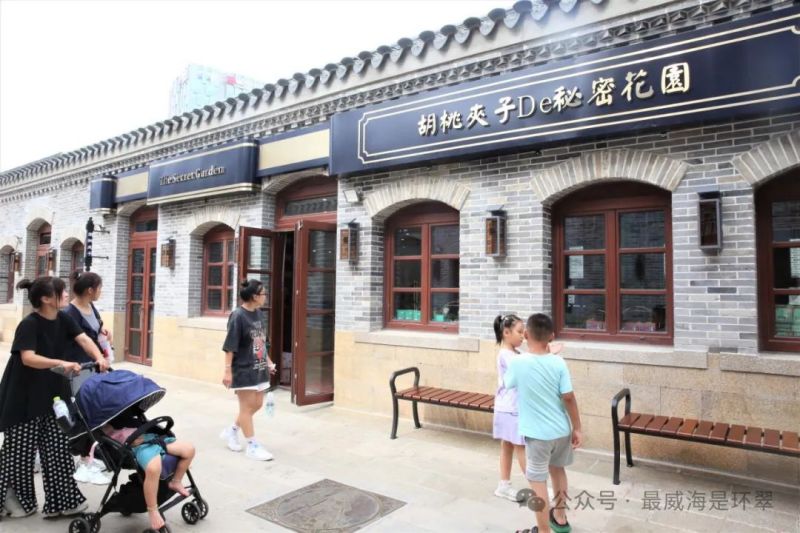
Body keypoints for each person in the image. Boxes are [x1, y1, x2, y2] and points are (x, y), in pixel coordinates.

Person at [0, 277, 109, 519]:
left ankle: (63, 502)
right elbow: (28, 358)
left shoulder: (64, 318)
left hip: (54, 393)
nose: (67, 294)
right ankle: (15, 502)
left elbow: (83, 338)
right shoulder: (29, 324)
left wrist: (99, 356)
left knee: (58, 447)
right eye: (61, 292)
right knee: (20, 451)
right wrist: (61, 362)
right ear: (46, 299)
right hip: (23, 395)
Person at [504, 314, 582, 533]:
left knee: (538, 483)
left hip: (538, 436)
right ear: (552, 336)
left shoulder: (518, 362)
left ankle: (544, 530)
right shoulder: (559, 362)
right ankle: (560, 518)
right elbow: (568, 397)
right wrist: (577, 427)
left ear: (526, 334)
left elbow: (507, 383)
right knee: (558, 471)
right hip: (561, 431)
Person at [493, 314, 564, 503]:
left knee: (508, 446)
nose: (523, 335)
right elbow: (528, 366)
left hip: (508, 407)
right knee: (520, 447)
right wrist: (548, 351)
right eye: (519, 331)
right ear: (506, 333)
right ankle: (537, 487)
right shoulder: (506, 355)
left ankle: (503, 485)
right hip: (511, 409)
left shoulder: (516, 354)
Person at [64, 271, 113, 485]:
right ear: (90, 290)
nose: (101, 291)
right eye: (99, 288)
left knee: (93, 410)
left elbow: (95, 331)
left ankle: (89, 454)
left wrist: (105, 333)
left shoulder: (91, 307)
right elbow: (81, 340)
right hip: (79, 368)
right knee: (82, 412)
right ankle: (84, 459)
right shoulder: (70, 313)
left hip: (94, 367)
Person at [219, 279, 277, 461]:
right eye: (263, 293)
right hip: (243, 369)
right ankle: (252, 446)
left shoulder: (259, 314)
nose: (265, 296)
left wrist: (268, 362)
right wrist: (227, 371)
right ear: (254, 296)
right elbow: (230, 346)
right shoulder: (238, 316)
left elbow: (261, 341)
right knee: (246, 408)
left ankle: (232, 431)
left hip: (258, 367)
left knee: (257, 405)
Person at [103, 425, 195, 530]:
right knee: (153, 469)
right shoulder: (108, 429)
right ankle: (152, 510)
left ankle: (176, 481)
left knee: (189, 449)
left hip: (153, 438)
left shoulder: (125, 420)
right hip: (140, 447)